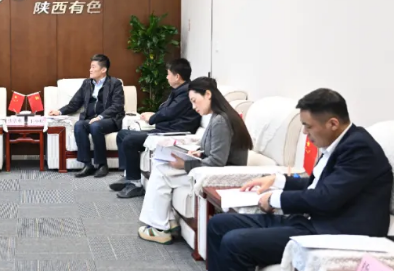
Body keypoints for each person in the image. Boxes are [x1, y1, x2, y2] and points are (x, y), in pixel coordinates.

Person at [189, 89, 393, 271]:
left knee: (236, 244)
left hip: (332, 232)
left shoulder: (360, 149)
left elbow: (326, 198)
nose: (305, 134)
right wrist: (276, 181)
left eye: (308, 126)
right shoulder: (340, 143)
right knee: (219, 224)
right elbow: (316, 183)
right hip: (312, 219)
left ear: (333, 123)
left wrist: (275, 199)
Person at [138, 77, 252, 244]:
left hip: (219, 177)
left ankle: (160, 228)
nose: (193, 107)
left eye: (194, 100)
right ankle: (166, 222)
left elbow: (217, 162)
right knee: (162, 167)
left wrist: (184, 164)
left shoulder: (220, 120)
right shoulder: (219, 116)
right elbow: (217, 151)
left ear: (208, 94)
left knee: (162, 171)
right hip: (214, 171)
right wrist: (198, 153)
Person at [112, 58, 201, 198]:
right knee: (122, 134)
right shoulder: (179, 90)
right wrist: (153, 114)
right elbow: (167, 110)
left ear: (177, 76)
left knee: (130, 140)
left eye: (168, 74)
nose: (166, 77)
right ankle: (128, 175)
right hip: (165, 129)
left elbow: (169, 112)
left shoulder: (186, 93)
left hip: (172, 133)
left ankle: (135, 184)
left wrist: (152, 118)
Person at [48, 54, 125, 178]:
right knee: (79, 125)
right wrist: (60, 111)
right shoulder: (87, 83)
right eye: (90, 67)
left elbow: (117, 106)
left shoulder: (115, 83)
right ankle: (87, 164)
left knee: (95, 126)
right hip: (90, 119)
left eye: (93, 67)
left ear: (103, 70)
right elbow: (75, 103)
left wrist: (100, 117)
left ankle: (102, 165)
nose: (90, 70)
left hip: (109, 119)